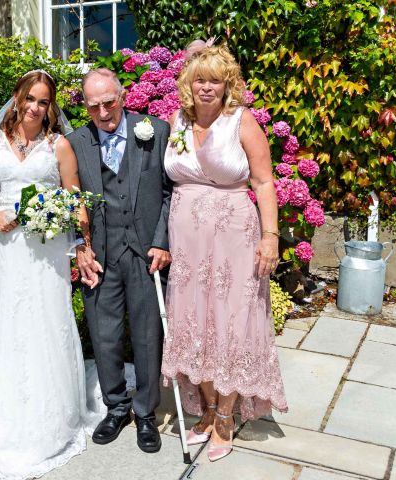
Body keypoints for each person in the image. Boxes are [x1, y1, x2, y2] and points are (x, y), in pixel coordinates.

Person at [161, 42, 288, 462]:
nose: (207, 87)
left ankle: (228, 416)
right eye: (200, 79)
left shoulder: (242, 122)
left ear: (227, 84)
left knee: (232, 323)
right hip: (186, 244)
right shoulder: (176, 120)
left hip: (234, 236)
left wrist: (270, 236)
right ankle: (208, 407)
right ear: (188, 83)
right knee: (196, 321)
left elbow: (265, 182)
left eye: (216, 80)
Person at [0, 70, 102, 479]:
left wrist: (82, 245)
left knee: (48, 324)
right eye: (29, 98)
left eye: (43, 101)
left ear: (51, 107)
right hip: (8, 250)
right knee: (11, 325)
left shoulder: (58, 145)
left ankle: (54, 417)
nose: (34, 107)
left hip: (46, 252)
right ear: (16, 97)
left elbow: (74, 195)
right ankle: (8, 411)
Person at [67, 68, 172, 453]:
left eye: (109, 102)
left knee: (147, 335)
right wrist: (81, 245)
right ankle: (116, 407)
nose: (103, 112)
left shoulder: (155, 131)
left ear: (123, 96)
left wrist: (162, 242)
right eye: (94, 106)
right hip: (101, 255)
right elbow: (69, 199)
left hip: (145, 253)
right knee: (104, 334)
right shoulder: (75, 142)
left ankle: (145, 412)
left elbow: (168, 193)